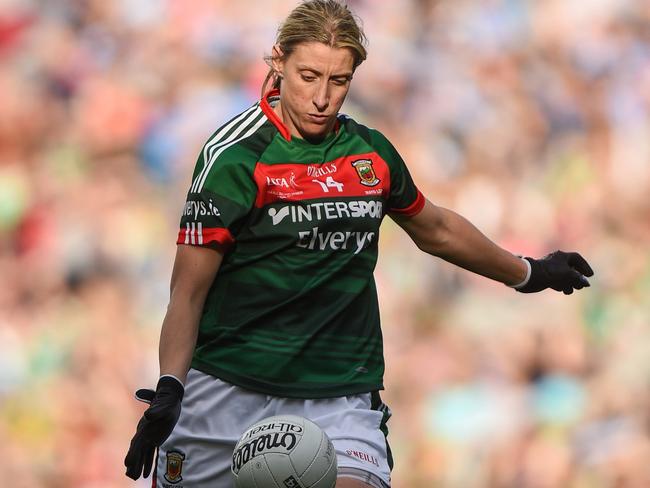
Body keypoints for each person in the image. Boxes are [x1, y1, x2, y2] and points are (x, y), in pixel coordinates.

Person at [124, 1, 594, 487]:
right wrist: (171, 385)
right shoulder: (235, 158)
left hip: (338, 392)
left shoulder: (369, 153)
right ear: (278, 61)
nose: (322, 97)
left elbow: (434, 228)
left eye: (339, 81)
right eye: (308, 76)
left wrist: (528, 272)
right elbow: (188, 290)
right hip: (226, 389)